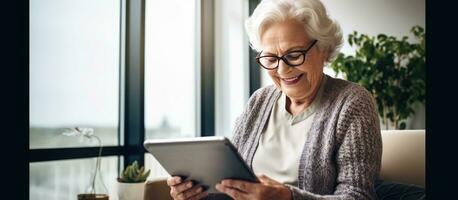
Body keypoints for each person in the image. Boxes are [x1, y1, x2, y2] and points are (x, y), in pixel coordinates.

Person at [167, 0, 383, 199]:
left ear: (324, 50)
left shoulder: (352, 103)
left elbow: (358, 196)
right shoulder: (259, 102)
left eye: (294, 55)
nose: (282, 69)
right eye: (270, 58)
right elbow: (231, 187)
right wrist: (197, 193)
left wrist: (287, 197)